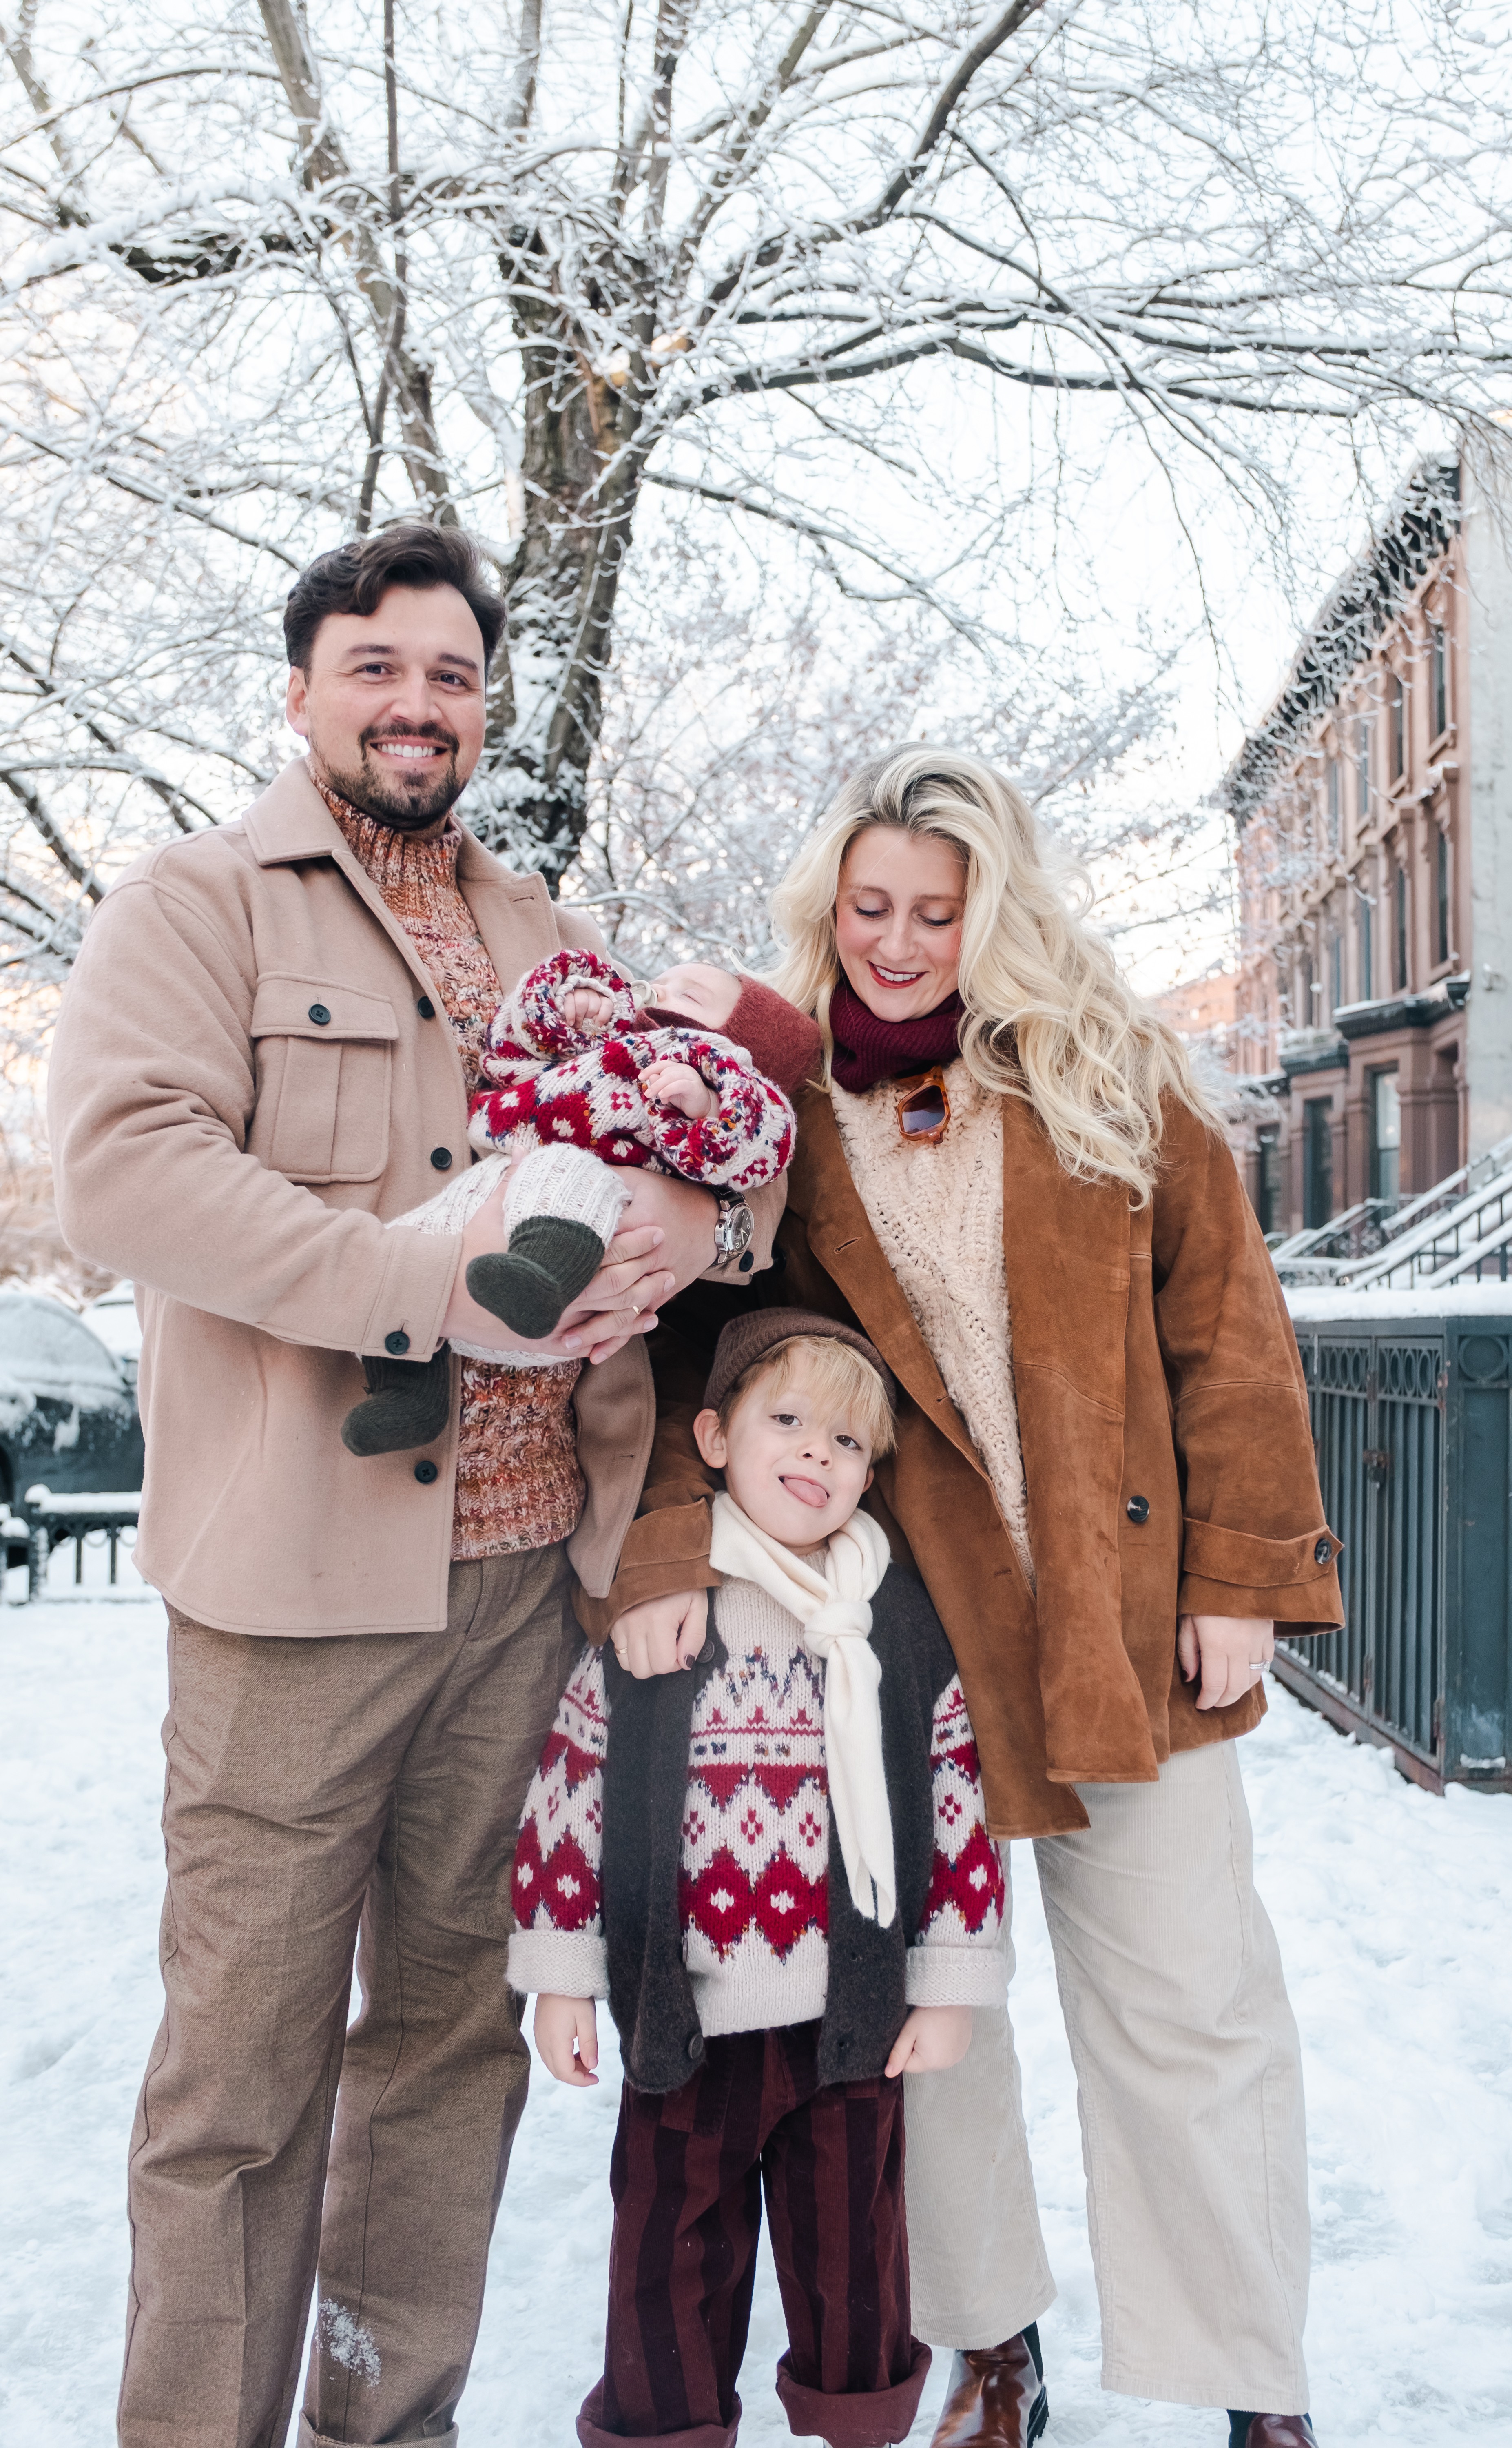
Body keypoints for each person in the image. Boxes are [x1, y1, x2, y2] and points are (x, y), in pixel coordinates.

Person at [45, 522, 796, 2448]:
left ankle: (391, 2423)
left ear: (484, 705)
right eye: (376, 667)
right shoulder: (197, 903)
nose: (416, 703)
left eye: (451, 674)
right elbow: (126, 1168)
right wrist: (422, 1285)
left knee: (452, 2044)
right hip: (293, 1594)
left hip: (522, 1587)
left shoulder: (547, 930)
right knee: (239, 2074)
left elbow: (724, 1150)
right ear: (301, 692)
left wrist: (691, 1221)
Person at [574, 750, 1345, 2448]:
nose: (901, 943)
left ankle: (1247, 2381)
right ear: (826, 911)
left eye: (939, 910)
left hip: (1129, 1623)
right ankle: (990, 2345)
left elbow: (1227, 1329)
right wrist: (655, 1563)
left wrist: (1241, 1577)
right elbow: (687, 1360)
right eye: (871, 910)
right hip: (904, 1642)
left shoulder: (1107, 1073)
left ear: (993, 912)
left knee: (1193, 2010)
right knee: (939, 2023)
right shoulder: (764, 1122)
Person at [512, 1309, 1007, 2448]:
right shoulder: (661, 1614)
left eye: (844, 1444)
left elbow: (953, 1801)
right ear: (716, 1438)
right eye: (786, 1422)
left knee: (855, 2260)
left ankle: (858, 2423)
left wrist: (949, 1986)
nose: (815, 1456)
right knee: (666, 2256)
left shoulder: (892, 1623)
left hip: (851, 2022)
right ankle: (668, 2428)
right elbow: (572, 1793)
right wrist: (560, 1978)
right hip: (683, 2015)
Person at [343, 946, 810, 1454]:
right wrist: (561, 1010)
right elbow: (509, 1057)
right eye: (661, 980)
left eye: (689, 994)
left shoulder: (710, 1065)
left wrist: (708, 1102)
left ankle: (540, 1281)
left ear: (743, 1041)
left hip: (596, 1184)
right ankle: (407, 1393)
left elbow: (767, 1145)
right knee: (411, 1239)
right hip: (499, 1175)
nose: (658, 992)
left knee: (563, 1175)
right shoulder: (606, 1038)